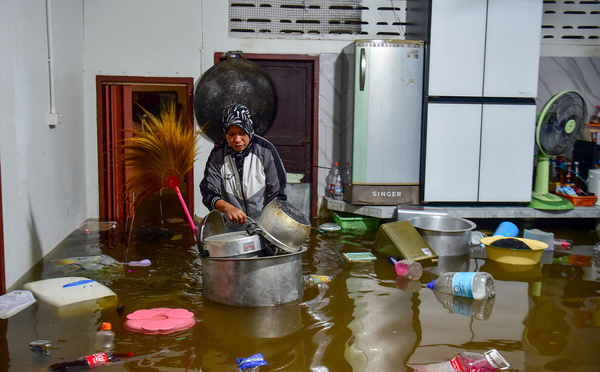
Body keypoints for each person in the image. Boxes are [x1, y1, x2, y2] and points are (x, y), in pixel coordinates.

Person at [200, 103, 287, 229]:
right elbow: (208, 192)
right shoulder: (217, 155)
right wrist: (228, 208)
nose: (237, 139)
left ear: (249, 129)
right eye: (231, 134)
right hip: (231, 230)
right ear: (225, 133)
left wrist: (266, 224)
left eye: (242, 133)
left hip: (264, 228)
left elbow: (279, 194)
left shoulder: (265, 151)